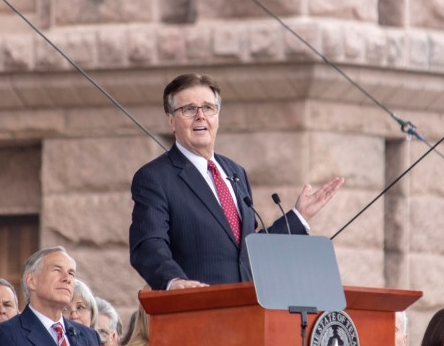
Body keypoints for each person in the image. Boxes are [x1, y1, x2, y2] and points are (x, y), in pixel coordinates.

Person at [129, 73, 344, 290]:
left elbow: (249, 251)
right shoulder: (155, 177)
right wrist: (174, 281)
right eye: (189, 109)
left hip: (248, 308)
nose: (200, 116)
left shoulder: (235, 171)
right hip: (197, 310)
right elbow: (148, 244)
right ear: (171, 121)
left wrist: (299, 216)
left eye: (208, 108)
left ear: (217, 117)